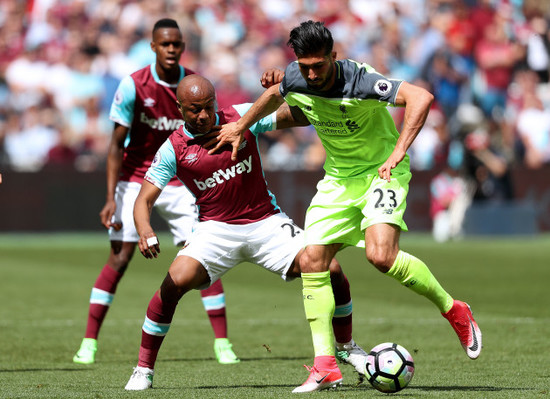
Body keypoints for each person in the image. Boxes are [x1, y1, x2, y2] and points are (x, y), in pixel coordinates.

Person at [211, 20, 483, 392]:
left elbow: (421, 97)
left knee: (381, 257)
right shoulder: (297, 75)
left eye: (317, 66)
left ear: (334, 57)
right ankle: (325, 365)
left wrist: (398, 152)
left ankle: (454, 310)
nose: (310, 74)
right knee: (311, 260)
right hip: (338, 179)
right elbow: (278, 92)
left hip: (381, 173)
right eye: (304, 67)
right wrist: (243, 125)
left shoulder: (360, 81)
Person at [124, 74, 367, 392]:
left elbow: (302, 115)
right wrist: (145, 229)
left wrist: (292, 86)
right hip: (216, 231)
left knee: (330, 267)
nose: (202, 115)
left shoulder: (241, 116)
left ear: (215, 101)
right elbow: (143, 199)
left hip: (266, 223)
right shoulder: (173, 148)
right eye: (194, 110)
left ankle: (347, 348)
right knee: (173, 284)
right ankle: (143, 370)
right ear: (179, 108)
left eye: (208, 107)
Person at [73, 18, 239, 366]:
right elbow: (116, 145)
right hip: (135, 178)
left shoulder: (194, 87)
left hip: (179, 180)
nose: (172, 50)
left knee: (202, 255)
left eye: (177, 44)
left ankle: (222, 342)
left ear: (182, 47)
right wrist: (109, 197)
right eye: (165, 44)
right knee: (119, 258)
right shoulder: (134, 85)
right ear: (153, 46)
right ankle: (89, 341)